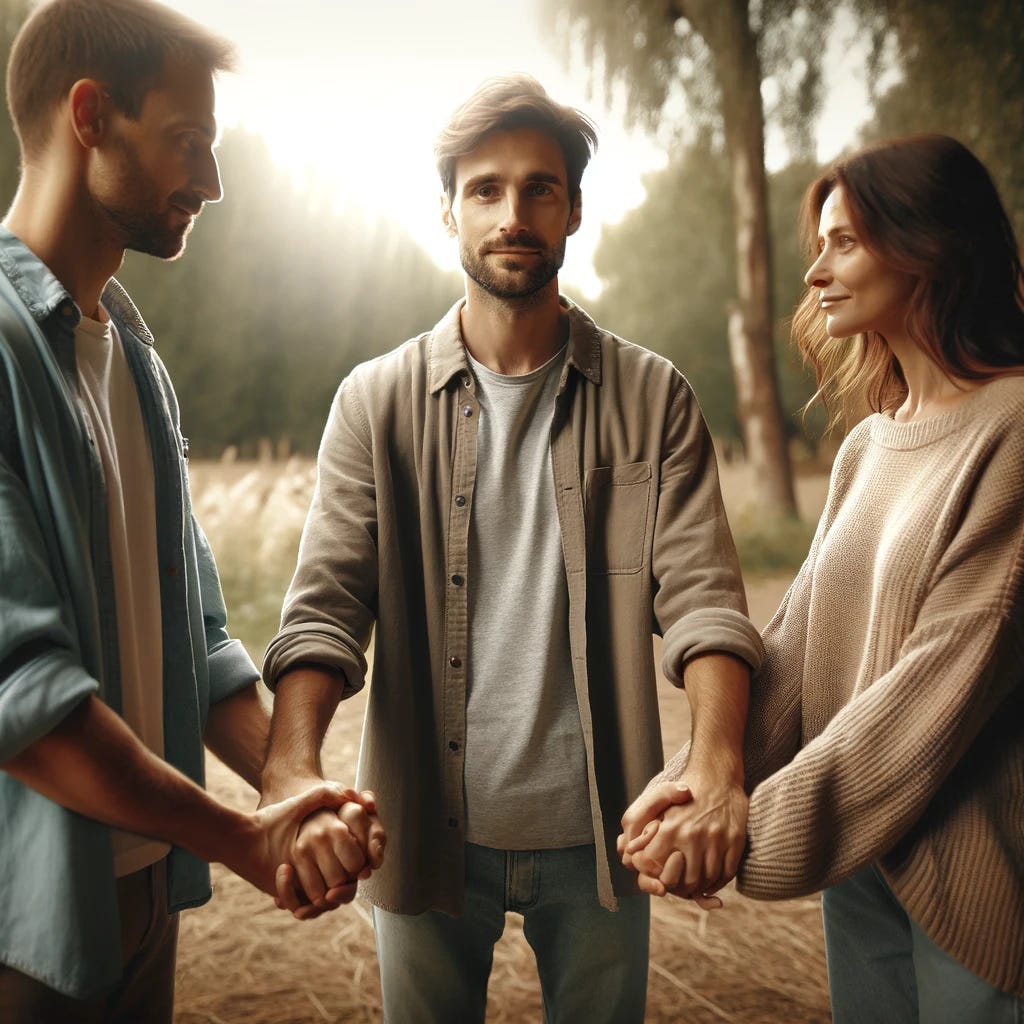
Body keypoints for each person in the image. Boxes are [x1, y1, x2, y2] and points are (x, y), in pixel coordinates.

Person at [260, 73, 763, 1023]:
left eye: (540, 188)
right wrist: (291, 769)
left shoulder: (655, 398)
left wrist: (716, 767)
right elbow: (324, 606)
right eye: (485, 188)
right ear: (447, 209)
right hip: (422, 826)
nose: (513, 213)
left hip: (605, 834)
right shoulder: (373, 401)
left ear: (574, 209)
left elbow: (705, 602)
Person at [0, 1, 383, 1021]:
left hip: (142, 904)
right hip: (17, 921)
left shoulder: (133, 359)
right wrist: (247, 838)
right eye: (187, 141)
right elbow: (24, 699)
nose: (210, 182)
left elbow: (200, 642)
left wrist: (293, 789)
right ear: (90, 115)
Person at [620, 134, 1024, 1022]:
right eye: (819, 245)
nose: (817, 273)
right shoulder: (867, 447)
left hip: (982, 881)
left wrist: (742, 836)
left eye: (845, 242)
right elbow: (798, 655)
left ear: (929, 247)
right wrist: (698, 786)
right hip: (865, 866)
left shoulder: (1015, 429)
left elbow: (937, 684)